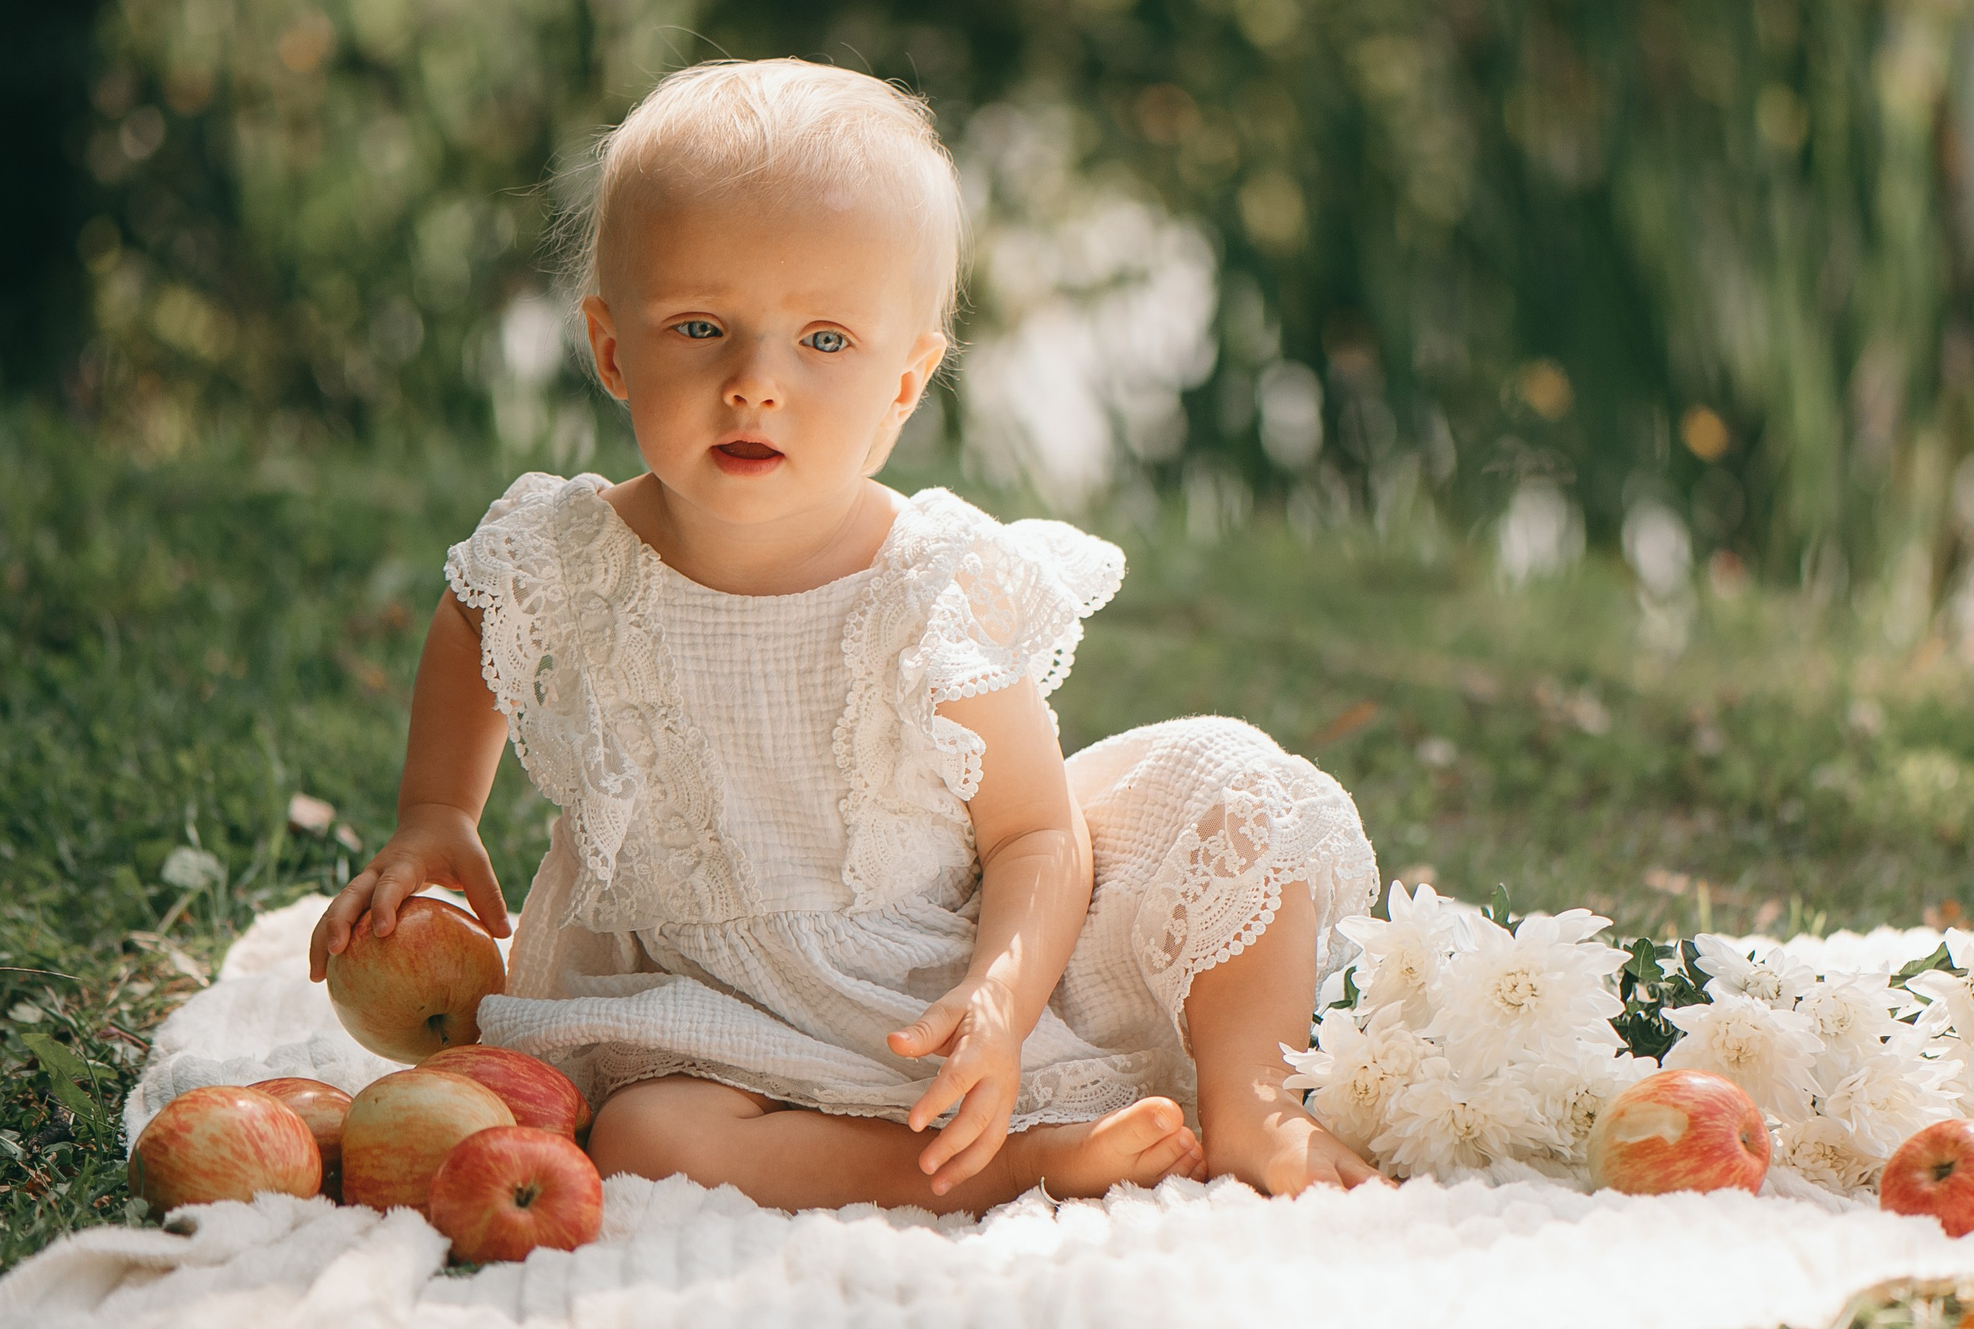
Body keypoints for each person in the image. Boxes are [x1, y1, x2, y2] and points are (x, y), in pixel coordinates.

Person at [306, 59, 1381, 1212]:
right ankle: (1003, 1167)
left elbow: (1032, 831)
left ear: (905, 383)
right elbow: (476, 609)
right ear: (615, 350)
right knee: (644, 1136)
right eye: (701, 326)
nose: (755, 383)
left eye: (825, 342)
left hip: (951, 969)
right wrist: (437, 812)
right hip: (712, 1012)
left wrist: (1000, 996)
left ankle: (1254, 1102)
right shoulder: (570, 555)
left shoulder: (927, 586)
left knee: (1226, 785)